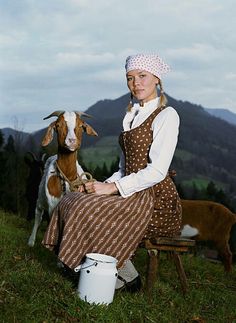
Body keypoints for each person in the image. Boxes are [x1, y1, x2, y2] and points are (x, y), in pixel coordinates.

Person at [42, 53, 182, 291]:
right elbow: (123, 168)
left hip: (154, 198)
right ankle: (100, 269)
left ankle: (126, 276)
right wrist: (100, 185)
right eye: (130, 78)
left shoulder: (167, 115)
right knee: (74, 199)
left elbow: (157, 171)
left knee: (88, 208)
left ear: (157, 79)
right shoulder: (131, 115)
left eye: (142, 76)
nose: (136, 82)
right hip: (131, 188)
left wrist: (112, 189)